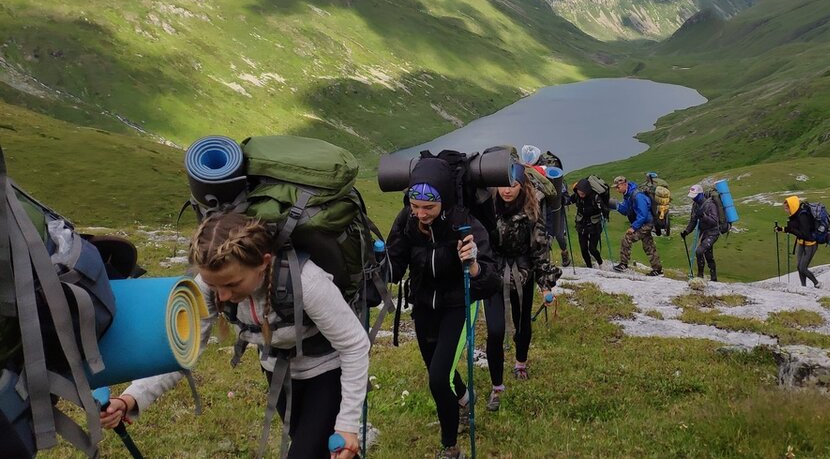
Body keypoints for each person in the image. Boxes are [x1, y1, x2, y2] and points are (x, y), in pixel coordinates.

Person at [99, 212, 370, 459]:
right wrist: (131, 398)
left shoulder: (307, 283)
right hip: (279, 373)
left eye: (232, 284)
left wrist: (347, 424)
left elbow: (355, 346)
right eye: (215, 286)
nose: (223, 295)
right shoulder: (209, 284)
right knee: (326, 451)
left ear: (264, 263)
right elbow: (181, 349)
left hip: (326, 373)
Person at [385, 157, 501, 459]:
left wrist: (474, 265)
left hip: (458, 305)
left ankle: (451, 448)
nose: (421, 214)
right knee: (440, 368)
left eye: (429, 208)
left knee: (438, 378)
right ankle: (464, 399)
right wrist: (377, 267)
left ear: (444, 201)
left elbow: (491, 280)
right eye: (416, 206)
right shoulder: (406, 220)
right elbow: (395, 266)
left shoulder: (465, 224)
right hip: (424, 305)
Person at [483, 168, 561, 411]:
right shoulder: (485, 207)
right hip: (493, 276)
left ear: (522, 186)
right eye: (503, 184)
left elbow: (539, 248)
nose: (507, 190)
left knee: (522, 323)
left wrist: (545, 285)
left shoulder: (531, 210)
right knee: (495, 331)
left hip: (523, 274)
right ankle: (497, 386)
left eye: (513, 185)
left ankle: (520, 364)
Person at [611, 176, 662, 276]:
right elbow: (626, 211)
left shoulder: (637, 195)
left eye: (618, 187)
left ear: (624, 184)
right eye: (616, 187)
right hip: (643, 223)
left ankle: (623, 265)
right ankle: (658, 270)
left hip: (646, 223)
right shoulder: (627, 195)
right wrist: (617, 205)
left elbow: (642, 215)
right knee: (648, 245)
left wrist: (633, 227)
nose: (617, 189)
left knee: (627, 238)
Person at [680, 184, 720, 281]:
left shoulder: (711, 204)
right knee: (708, 254)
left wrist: (703, 216)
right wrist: (686, 231)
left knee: (699, 251)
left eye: (695, 196)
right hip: (703, 233)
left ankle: (700, 276)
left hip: (713, 232)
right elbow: (693, 220)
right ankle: (713, 278)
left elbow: (715, 221)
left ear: (700, 194)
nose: (693, 199)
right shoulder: (695, 205)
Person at [779, 196, 820, 288]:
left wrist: (791, 230)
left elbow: (804, 234)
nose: (786, 210)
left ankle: (817, 283)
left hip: (810, 244)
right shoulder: (795, 215)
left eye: (786, 208)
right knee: (799, 267)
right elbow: (793, 229)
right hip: (801, 243)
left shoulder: (802, 216)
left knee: (803, 267)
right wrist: (781, 229)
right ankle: (803, 286)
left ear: (792, 206)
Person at [568, 177, 607, 268]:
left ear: (587, 191)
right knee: (583, 249)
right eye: (579, 192)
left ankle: (600, 263)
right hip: (581, 224)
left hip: (594, 224)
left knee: (592, 249)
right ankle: (589, 267)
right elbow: (569, 200)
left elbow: (604, 209)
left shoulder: (595, 197)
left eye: (582, 193)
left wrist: (604, 213)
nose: (581, 194)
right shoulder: (577, 195)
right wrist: (562, 201)